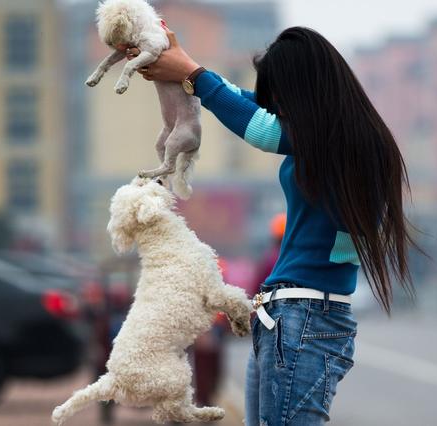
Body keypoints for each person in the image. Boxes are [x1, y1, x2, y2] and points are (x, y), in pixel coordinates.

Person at [127, 22, 416, 426]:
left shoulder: (340, 140)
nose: (276, 110)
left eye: (280, 99)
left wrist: (192, 73)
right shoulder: (343, 137)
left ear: (304, 90)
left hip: (304, 318)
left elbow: (260, 129)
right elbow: (246, 104)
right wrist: (188, 71)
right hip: (288, 318)